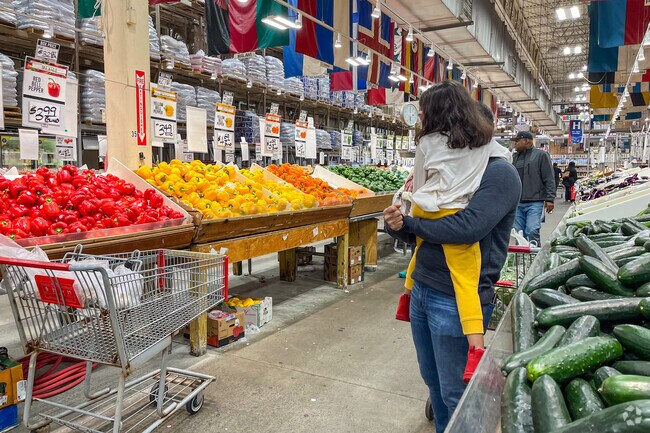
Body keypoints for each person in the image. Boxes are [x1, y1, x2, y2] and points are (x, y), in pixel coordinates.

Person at [385, 81, 521, 432]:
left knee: (457, 393)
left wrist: (414, 223)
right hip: (424, 292)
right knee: (433, 382)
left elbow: (467, 228)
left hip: (458, 298)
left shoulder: (499, 172)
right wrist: (398, 223)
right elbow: (420, 228)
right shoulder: (447, 170)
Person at [511, 131, 555, 246]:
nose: (515, 144)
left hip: (535, 201)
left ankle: (534, 258)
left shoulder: (541, 155)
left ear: (526, 141)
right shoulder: (514, 157)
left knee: (532, 231)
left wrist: (550, 199)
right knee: (518, 234)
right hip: (517, 203)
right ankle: (521, 260)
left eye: (517, 141)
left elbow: (549, 178)